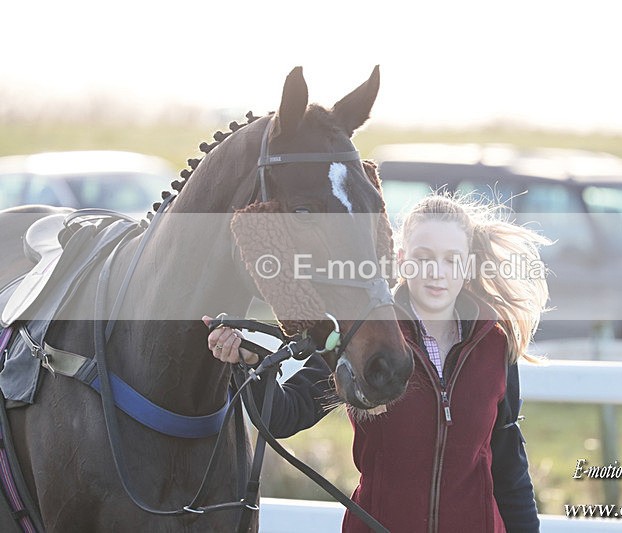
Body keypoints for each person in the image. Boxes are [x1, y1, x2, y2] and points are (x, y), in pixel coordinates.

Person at [205, 193, 549, 532]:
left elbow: (508, 468)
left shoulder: (494, 343)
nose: (437, 273)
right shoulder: (365, 339)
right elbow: (284, 414)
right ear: (401, 259)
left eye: (451, 259)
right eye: (424, 257)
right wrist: (251, 364)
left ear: (470, 264)